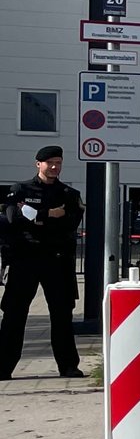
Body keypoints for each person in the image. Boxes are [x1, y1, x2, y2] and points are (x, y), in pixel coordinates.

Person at [0, 146, 86, 379]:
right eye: (50, 163)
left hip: (57, 261)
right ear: (38, 164)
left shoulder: (69, 194)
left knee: (62, 315)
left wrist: (32, 216)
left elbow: (68, 223)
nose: (55, 167)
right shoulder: (20, 189)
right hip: (24, 260)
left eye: (58, 162)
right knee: (14, 314)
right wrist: (46, 215)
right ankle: (3, 367)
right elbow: (11, 218)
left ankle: (68, 366)